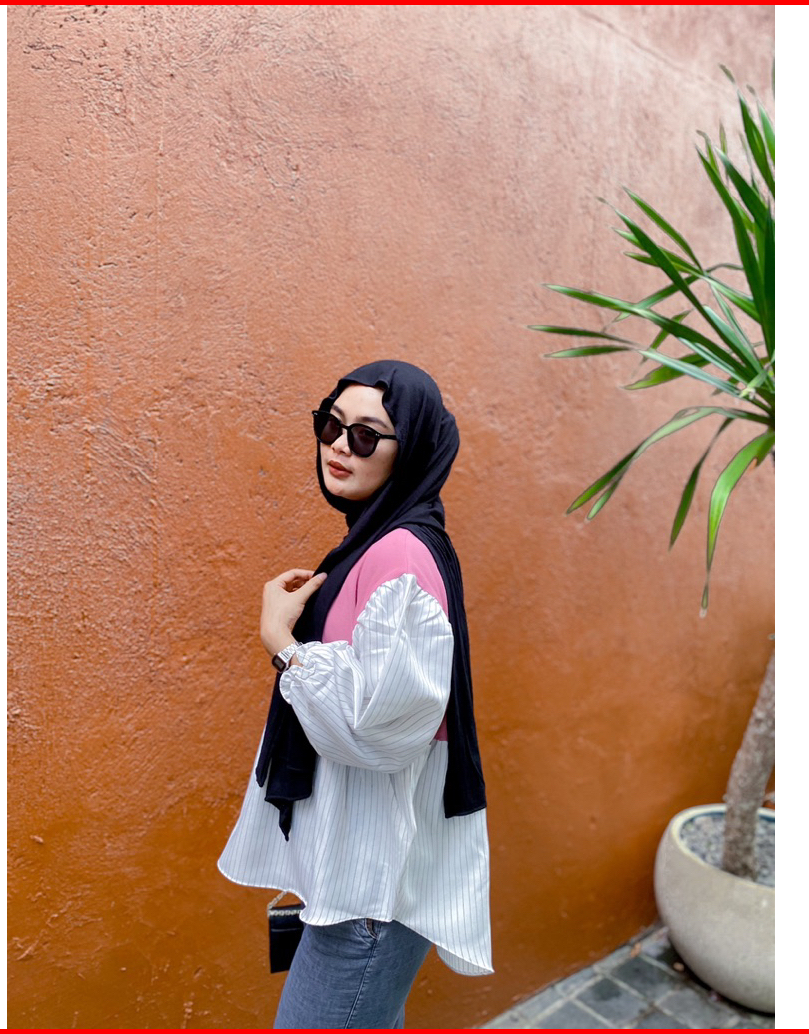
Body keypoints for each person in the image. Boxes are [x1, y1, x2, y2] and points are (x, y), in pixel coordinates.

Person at [218, 360, 491, 1029]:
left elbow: (378, 729)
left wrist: (282, 643)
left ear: (411, 449)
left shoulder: (399, 556)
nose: (340, 446)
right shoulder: (371, 545)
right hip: (362, 884)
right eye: (330, 425)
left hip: (370, 897)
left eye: (367, 435)